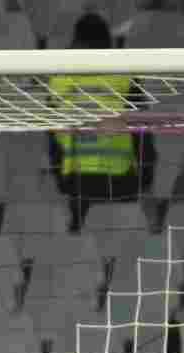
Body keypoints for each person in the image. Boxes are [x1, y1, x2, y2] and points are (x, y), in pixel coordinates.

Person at [47, 13, 156, 233]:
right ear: (107, 42)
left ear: (75, 41)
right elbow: (141, 127)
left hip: (77, 177)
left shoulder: (59, 79)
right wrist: (146, 172)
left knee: (83, 248)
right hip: (121, 176)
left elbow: (52, 134)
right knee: (122, 245)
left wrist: (59, 175)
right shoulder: (124, 76)